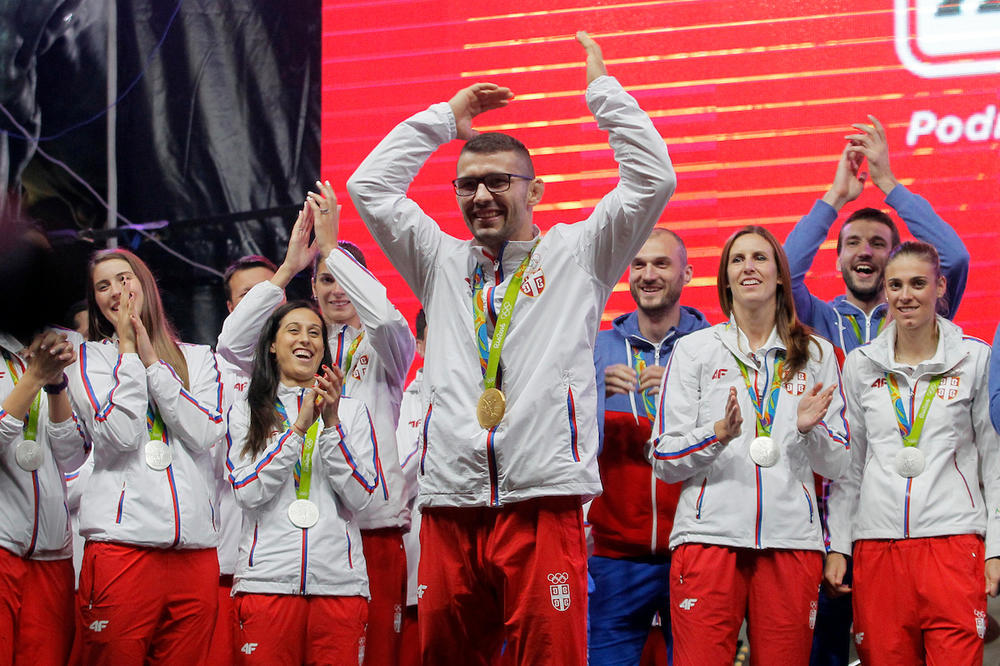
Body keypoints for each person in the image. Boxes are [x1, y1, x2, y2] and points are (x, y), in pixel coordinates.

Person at [347, 31, 676, 664]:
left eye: (499, 182)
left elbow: (651, 178)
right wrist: (444, 121)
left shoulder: (582, 253)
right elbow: (371, 187)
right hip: (449, 507)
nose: (481, 197)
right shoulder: (439, 262)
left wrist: (604, 95)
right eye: (467, 186)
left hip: (542, 504)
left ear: (537, 190)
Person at [782, 115, 970, 666]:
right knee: (824, 651)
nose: (866, 252)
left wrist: (890, 186)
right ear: (838, 257)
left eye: (880, 244)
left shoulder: (918, 312)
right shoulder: (815, 317)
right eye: (854, 243)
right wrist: (833, 199)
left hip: (909, 518)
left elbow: (953, 258)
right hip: (827, 513)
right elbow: (786, 272)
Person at [218, 191, 415, 665]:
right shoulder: (299, 342)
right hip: (296, 535)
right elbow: (231, 343)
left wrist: (332, 250)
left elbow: (386, 315)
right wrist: (287, 269)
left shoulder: (386, 349)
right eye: (325, 279)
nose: (335, 289)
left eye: (345, 278)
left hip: (374, 527)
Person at [647, 226, 849, 665]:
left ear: (779, 275)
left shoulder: (818, 354)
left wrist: (809, 429)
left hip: (791, 542)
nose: (748, 267)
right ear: (725, 279)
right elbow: (663, 457)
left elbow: (839, 463)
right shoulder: (695, 350)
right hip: (706, 540)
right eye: (737, 260)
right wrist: (715, 435)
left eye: (760, 257)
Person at [823, 241, 1000, 663]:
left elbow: (994, 463)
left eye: (918, 283)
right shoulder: (860, 364)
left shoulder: (975, 358)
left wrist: (995, 548)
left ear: (940, 286)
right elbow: (851, 465)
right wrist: (839, 546)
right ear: (884, 290)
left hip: (954, 543)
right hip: (877, 548)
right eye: (896, 285)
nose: (906, 296)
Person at [67, 248, 226, 664]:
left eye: (124, 278)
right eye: (103, 286)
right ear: (96, 302)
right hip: (123, 549)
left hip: (195, 555)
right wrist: (128, 353)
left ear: (144, 284)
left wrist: (154, 361)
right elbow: (119, 434)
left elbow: (205, 431)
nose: (116, 291)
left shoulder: (198, 357)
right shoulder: (88, 359)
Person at [226, 300, 378, 664]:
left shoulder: (351, 411)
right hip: (266, 584)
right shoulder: (246, 409)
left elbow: (361, 496)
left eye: (315, 333)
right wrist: (296, 431)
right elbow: (247, 492)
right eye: (293, 330)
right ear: (272, 346)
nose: (305, 339)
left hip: (339, 585)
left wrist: (330, 425)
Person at [589, 228, 707, 665]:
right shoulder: (597, 348)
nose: (648, 274)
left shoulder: (712, 346)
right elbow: (563, 436)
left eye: (661, 264)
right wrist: (591, 395)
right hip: (616, 553)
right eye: (638, 264)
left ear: (687, 273)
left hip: (696, 549)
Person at [1, 328, 87, 665]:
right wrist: (34, 377)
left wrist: (55, 385)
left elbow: (73, 456)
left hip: (52, 552)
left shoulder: (65, 350)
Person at [210, 254, 279, 664]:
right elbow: (233, 343)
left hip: (288, 565)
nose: (263, 306)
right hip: (225, 562)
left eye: (271, 295)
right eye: (250, 296)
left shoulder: (317, 375)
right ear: (233, 309)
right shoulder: (210, 373)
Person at [395, 308, 426, 666]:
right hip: (415, 570)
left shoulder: (493, 402)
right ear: (418, 344)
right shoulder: (398, 404)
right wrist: (433, 443)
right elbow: (392, 485)